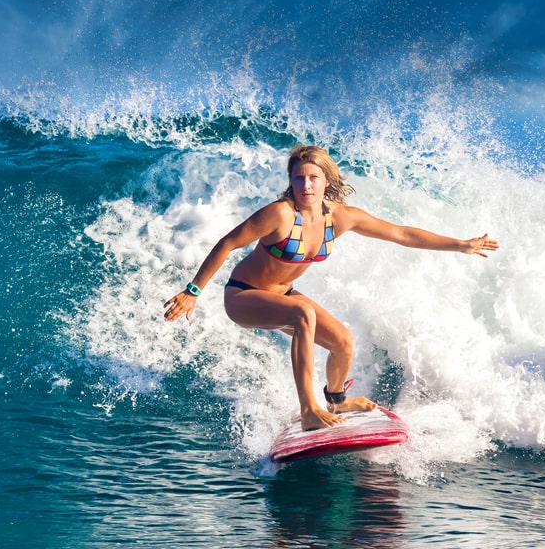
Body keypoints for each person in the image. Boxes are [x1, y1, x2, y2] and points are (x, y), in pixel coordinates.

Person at [164, 145, 498, 431]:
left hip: (283, 296)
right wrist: (192, 292)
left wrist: (460, 245)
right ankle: (309, 410)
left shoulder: (341, 218)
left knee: (343, 342)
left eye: (313, 177)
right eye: (298, 177)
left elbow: (401, 233)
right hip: (242, 295)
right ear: (290, 181)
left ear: (326, 180)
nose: (305, 185)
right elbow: (227, 243)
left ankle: (336, 401)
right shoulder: (280, 214)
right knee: (303, 312)